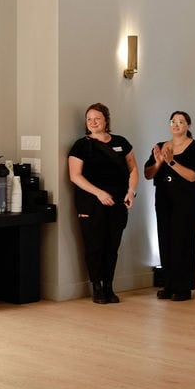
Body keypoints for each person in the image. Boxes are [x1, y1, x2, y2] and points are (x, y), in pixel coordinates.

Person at [68, 102, 139, 304]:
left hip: (117, 202)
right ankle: (97, 287)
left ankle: (109, 286)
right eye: (89, 119)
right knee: (94, 246)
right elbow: (75, 176)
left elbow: (133, 169)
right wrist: (99, 193)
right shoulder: (81, 145)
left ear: (106, 120)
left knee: (111, 246)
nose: (92, 122)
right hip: (91, 202)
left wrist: (131, 192)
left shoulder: (121, 142)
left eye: (97, 118)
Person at [143, 111, 195, 301]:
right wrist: (159, 160)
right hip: (164, 197)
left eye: (181, 121)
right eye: (173, 121)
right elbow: (148, 173)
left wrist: (171, 161)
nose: (176, 125)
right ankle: (168, 285)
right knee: (165, 238)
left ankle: (183, 287)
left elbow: (192, 176)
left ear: (188, 125)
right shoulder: (161, 146)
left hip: (186, 199)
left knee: (183, 240)